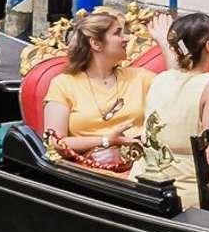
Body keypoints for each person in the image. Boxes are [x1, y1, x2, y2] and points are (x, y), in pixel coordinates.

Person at [130, 11, 209, 199]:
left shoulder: (161, 80)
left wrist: (164, 40)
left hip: (144, 180)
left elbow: (179, 69)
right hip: (190, 190)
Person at [41, 9, 152, 169]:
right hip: (91, 173)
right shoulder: (63, 84)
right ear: (96, 44)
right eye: (117, 33)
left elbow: (180, 89)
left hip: (142, 167)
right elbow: (56, 142)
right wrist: (107, 140)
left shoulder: (140, 77)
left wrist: (163, 41)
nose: (126, 38)